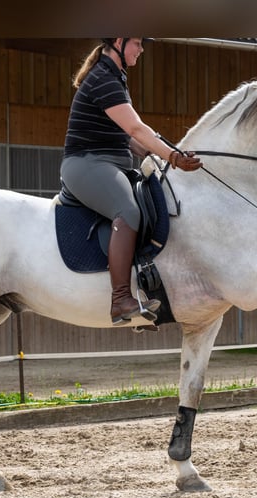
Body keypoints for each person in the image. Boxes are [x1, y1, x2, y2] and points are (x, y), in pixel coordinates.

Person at [60, 38, 203, 326]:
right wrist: (173, 156)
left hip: (110, 161)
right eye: (137, 42)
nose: (141, 49)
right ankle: (121, 300)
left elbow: (127, 138)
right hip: (87, 163)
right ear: (117, 42)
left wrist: (158, 151)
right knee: (128, 211)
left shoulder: (115, 77)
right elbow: (136, 128)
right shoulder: (103, 78)